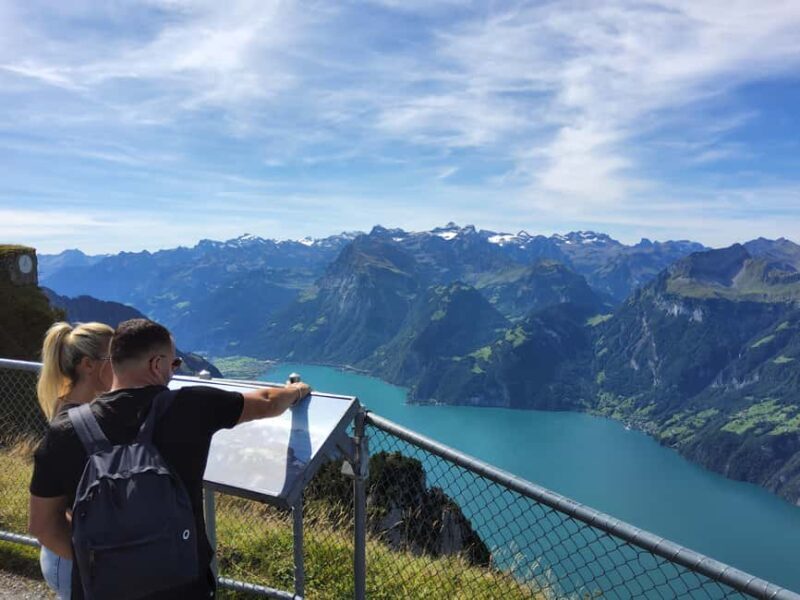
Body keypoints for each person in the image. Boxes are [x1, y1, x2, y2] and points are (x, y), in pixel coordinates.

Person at [28, 318, 311, 599]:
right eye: (173, 364)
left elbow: (42, 525)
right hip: (184, 586)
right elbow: (267, 401)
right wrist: (297, 391)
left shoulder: (66, 429)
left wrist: (102, 565)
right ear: (156, 364)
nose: (173, 371)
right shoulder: (190, 406)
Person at [33, 321, 115, 600]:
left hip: (68, 554)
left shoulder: (71, 405)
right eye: (114, 359)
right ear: (88, 365)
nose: (121, 365)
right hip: (69, 558)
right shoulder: (73, 424)